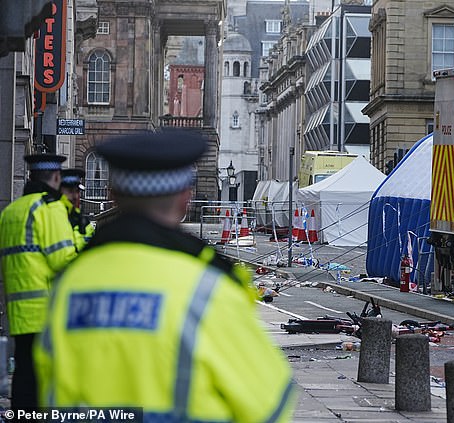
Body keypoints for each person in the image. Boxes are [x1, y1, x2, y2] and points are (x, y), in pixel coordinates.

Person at [34, 130, 296, 421]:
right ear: (185, 198)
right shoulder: (208, 290)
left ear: (113, 195)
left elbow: (47, 388)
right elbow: (271, 405)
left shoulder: (68, 285)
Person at [0, 154, 78, 409]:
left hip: (18, 310)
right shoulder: (50, 208)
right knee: (46, 379)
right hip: (46, 310)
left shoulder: (11, 211)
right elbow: (62, 261)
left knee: (24, 375)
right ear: (56, 178)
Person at [60, 168, 94, 251]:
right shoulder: (51, 216)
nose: (75, 196)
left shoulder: (85, 223)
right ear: (59, 191)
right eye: (70, 191)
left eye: (77, 191)